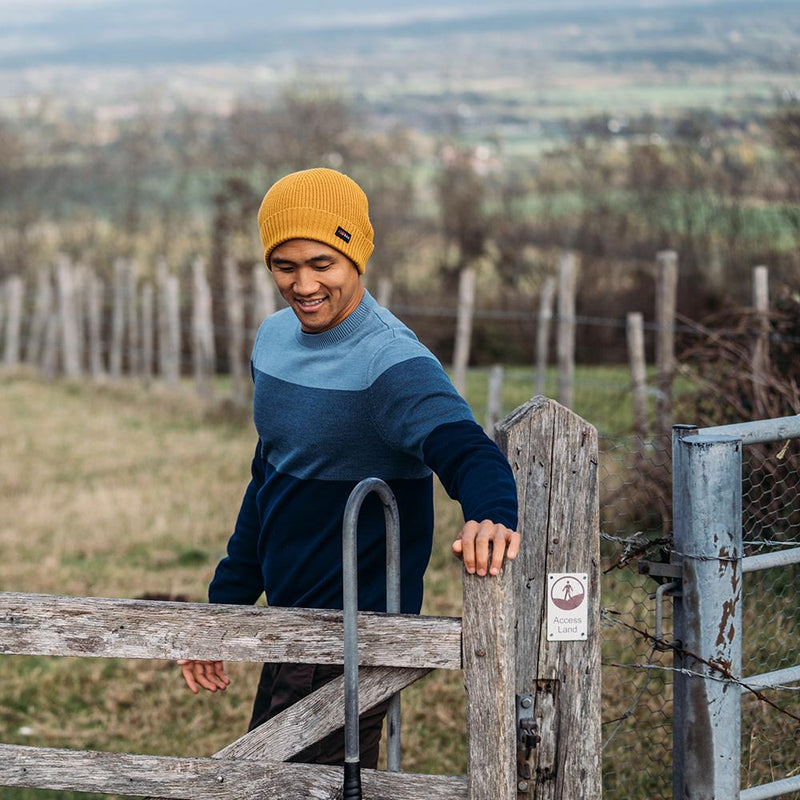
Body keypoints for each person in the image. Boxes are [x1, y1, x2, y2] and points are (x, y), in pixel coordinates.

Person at [178, 167, 520, 767]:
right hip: (289, 625)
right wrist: (223, 611)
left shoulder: (390, 362)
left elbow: (468, 450)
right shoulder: (273, 340)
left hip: (354, 636)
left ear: (356, 256)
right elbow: (270, 481)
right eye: (285, 266)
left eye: (322, 263)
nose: (303, 284)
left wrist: (491, 514)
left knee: (273, 781)